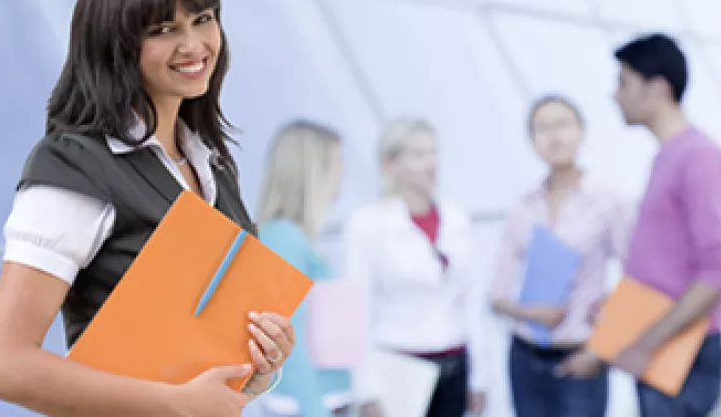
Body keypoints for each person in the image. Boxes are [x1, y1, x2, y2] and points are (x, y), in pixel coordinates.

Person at [0, 0, 295, 416]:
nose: (194, 45)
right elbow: (3, 367)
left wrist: (261, 366)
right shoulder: (75, 167)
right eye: (164, 30)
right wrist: (173, 405)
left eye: (204, 19)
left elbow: (203, 381)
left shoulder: (211, 164)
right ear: (117, 45)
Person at [560, 33, 721, 416]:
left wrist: (645, 343)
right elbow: (669, 267)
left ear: (656, 89)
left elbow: (719, 269)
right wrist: (620, 305)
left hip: (681, 350)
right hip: (663, 343)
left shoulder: (699, 158)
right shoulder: (668, 157)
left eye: (623, 83)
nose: (615, 95)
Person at [489, 95, 632, 417]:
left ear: (581, 131)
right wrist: (528, 312)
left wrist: (603, 348)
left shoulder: (608, 201)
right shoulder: (523, 206)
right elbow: (496, 294)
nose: (554, 136)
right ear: (531, 140)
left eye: (563, 125)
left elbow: (638, 277)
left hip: (580, 355)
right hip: (525, 355)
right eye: (543, 128)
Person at [342, 117, 489, 417]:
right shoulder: (367, 224)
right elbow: (356, 310)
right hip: (399, 368)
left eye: (433, 153)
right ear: (391, 163)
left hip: (455, 364)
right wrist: (366, 389)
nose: (430, 163)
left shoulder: (456, 218)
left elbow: (473, 302)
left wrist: (480, 377)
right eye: (418, 154)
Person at [250, 120, 352, 417]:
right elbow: (286, 346)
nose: (342, 174)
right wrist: (315, 410)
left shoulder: (295, 236)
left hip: (324, 398)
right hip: (307, 404)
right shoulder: (284, 238)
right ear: (312, 170)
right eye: (336, 163)